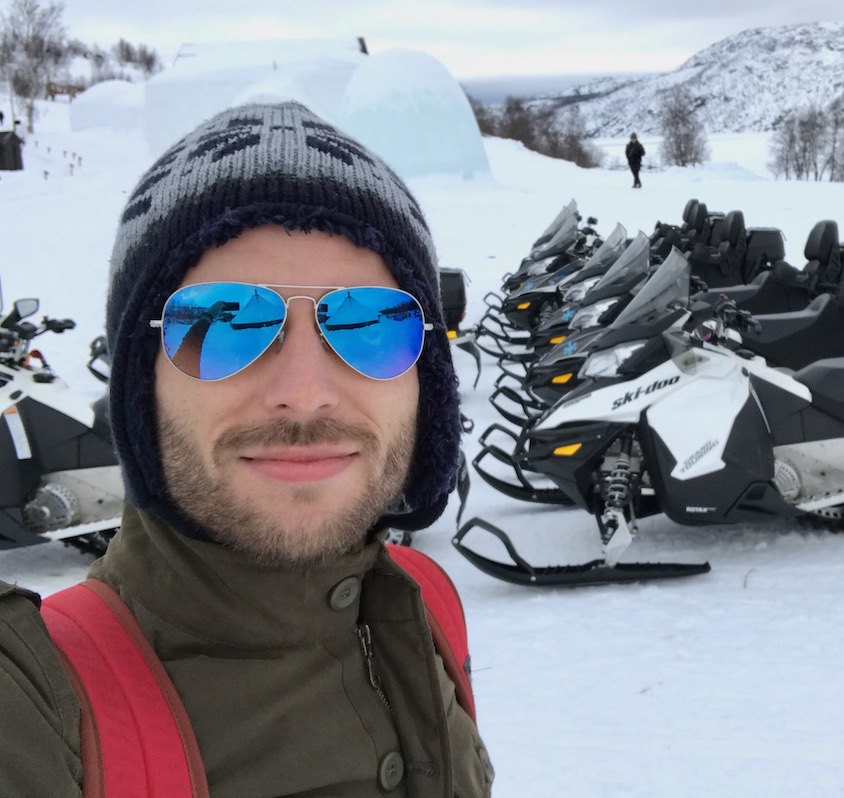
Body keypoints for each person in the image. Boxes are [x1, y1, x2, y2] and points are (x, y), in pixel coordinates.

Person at [0, 102, 494, 796]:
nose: (304, 391)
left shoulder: (427, 611)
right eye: (222, 324)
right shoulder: (37, 704)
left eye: (368, 324)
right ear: (142, 384)